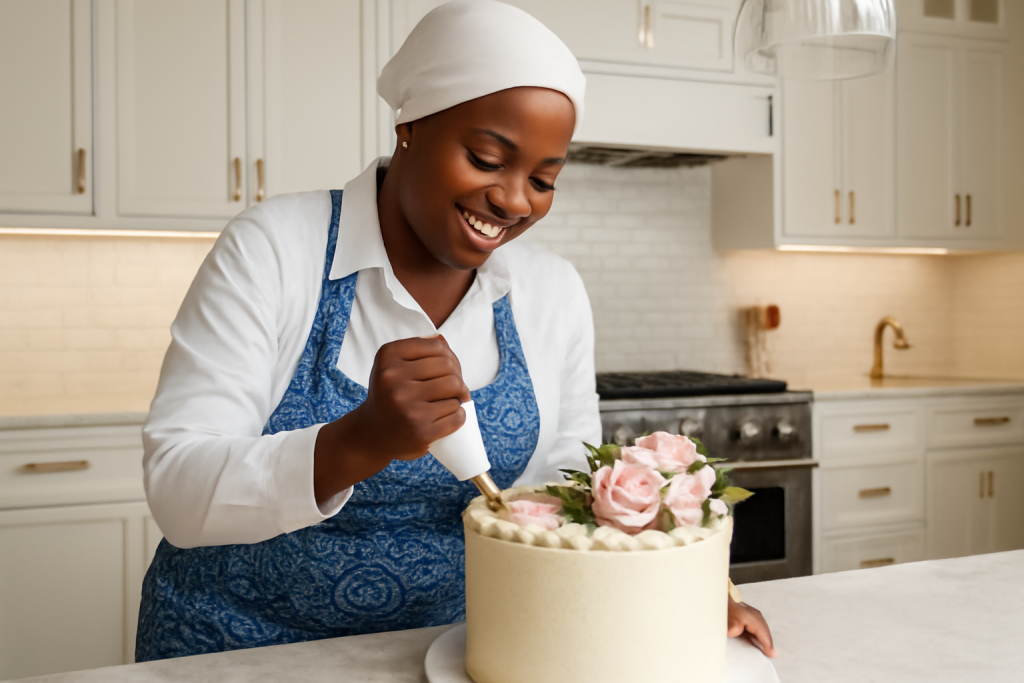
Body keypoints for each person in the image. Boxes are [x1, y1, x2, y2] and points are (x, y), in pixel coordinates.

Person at [136, 0, 775, 662]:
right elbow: (177, 489)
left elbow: (568, 492)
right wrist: (358, 439)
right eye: (485, 156)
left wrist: (678, 588)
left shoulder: (549, 290)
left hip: (449, 653)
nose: (514, 200)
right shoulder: (274, 249)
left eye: (543, 179)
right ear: (410, 124)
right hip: (235, 652)